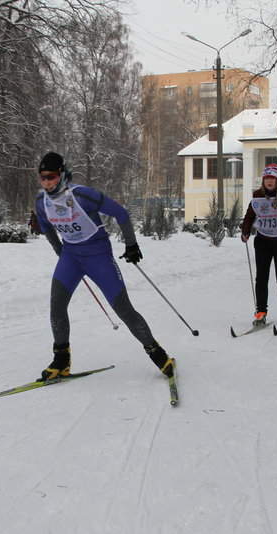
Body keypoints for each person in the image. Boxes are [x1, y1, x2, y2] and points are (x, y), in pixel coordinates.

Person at [33, 152, 175, 381]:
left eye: (51, 176)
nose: (46, 182)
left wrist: (131, 245)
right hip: (71, 257)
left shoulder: (83, 195)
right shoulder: (42, 201)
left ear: (61, 174)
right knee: (56, 307)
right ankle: (61, 361)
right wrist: (59, 250)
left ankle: (157, 354)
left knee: (123, 309)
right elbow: (46, 226)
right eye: (42, 178)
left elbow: (120, 213)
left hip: (98, 256)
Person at [241, 163, 277, 325]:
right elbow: (250, 215)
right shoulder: (257, 195)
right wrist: (245, 231)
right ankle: (261, 312)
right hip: (263, 240)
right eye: (267, 178)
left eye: (273, 178)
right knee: (261, 278)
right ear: (263, 180)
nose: (269, 181)